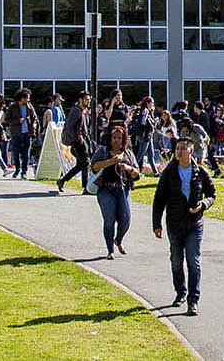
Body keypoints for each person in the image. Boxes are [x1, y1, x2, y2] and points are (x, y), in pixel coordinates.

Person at [152, 138, 216, 316]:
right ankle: (180, 291)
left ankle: (193, 301)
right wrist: (156, 224)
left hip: (194, 224)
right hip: (174, 223)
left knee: (193, 262)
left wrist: (203, 204)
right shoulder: (169, 172)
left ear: (191, 151)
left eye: (183, 149)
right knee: (176, 260)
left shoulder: (200, 171)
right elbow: (159, 199)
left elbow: (212, 194)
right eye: (177, 149)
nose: (179, 152)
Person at [92, 127, 140, 260]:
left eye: (119, 138)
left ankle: (118, 240)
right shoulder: (103, 151)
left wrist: (128, 168)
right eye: (114, 137)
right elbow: (94, 167)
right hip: (106, 190)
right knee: (109, 220)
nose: (116, 140)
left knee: (125, 219)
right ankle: (110, 250)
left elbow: (137, 173)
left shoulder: (128, 154)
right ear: (110, 138)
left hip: (122, 189)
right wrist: (110, 162)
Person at [57, 92, 94, 193]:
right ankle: (86, 187)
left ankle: (62, 181)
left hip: (83, 140)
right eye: (86, 99)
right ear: (80, 100)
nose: (88, 102)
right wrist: (77, 139)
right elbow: (70, 127)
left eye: (89, 100)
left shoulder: (84, 111)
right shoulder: (76, 111)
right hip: (78, 142)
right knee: (86, 163)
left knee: (81, 165)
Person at [4, 90, 38, 179]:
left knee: (26, 153)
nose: (28, 100)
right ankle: (17, 169)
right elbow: (7, 119)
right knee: (16, 152)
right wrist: (18, 121)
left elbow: (34, 118)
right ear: (22, 98)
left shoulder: (29, 107)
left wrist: (33, 127)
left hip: (27, 133)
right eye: (27, 98)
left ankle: (24, 171)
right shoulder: (13, 107)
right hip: (16, 133)